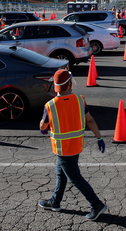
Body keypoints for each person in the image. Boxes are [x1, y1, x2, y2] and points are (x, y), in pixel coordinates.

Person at [38, 70, 108, 221]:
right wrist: (99, 137)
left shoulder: (50, 105)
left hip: (63, 149)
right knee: (61, 173)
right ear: (69, 84)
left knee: (75, 178)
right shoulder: (79, 99)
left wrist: (43, 127)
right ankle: (55, 202)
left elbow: (43, 126)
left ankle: (96, 205)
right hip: (75, 147)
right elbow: (89, 120)